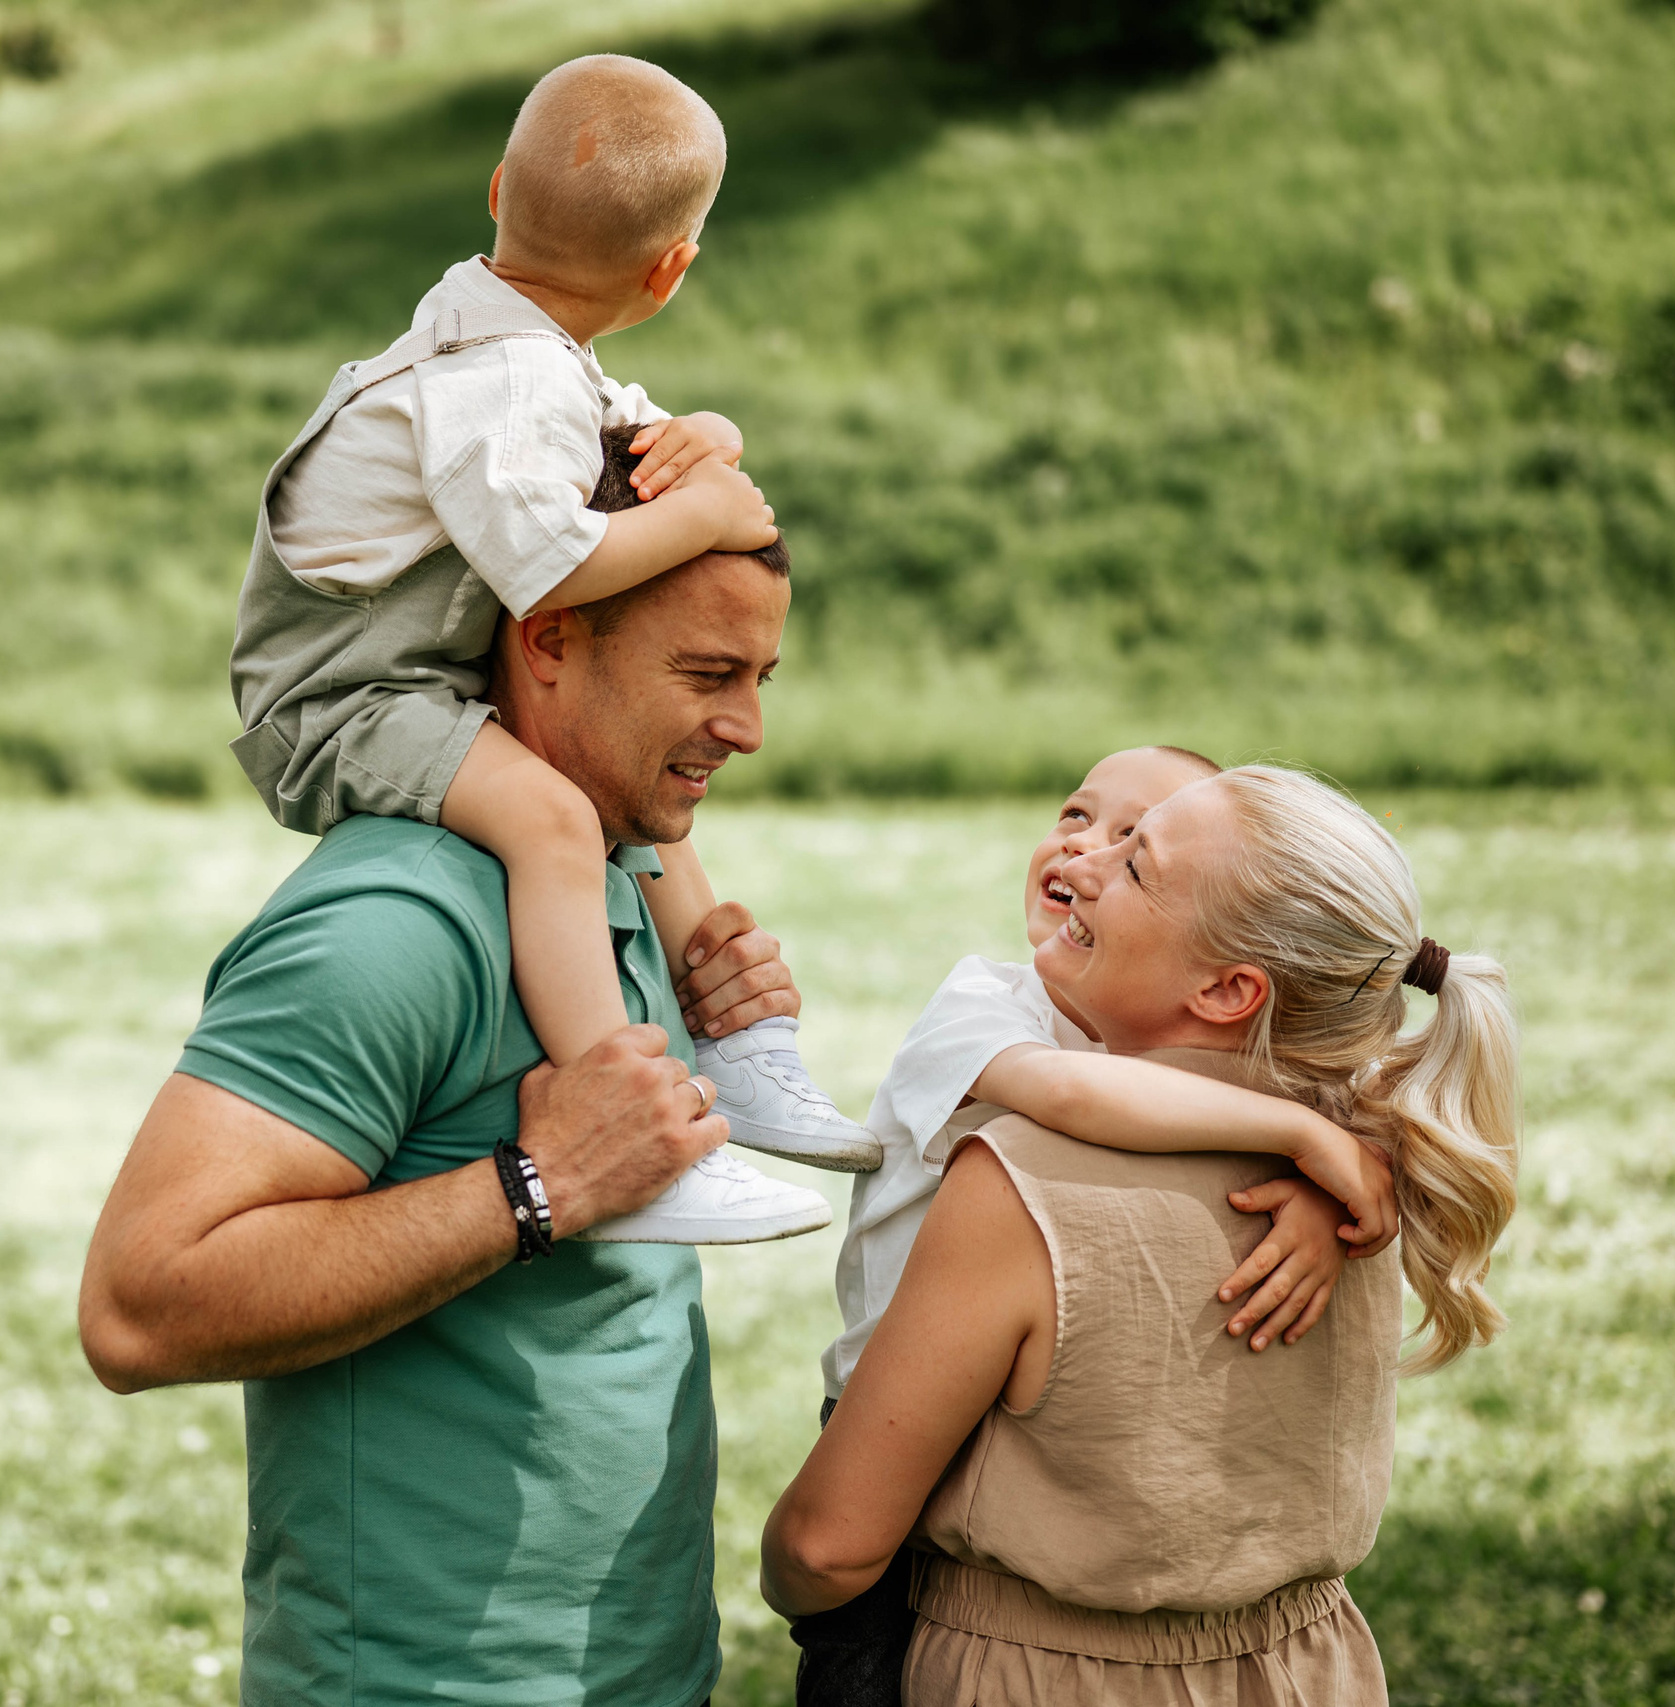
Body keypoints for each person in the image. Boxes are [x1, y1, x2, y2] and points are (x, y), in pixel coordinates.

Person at [78, 435, 822, 1704]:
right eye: (707, 674)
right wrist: (537, 1186)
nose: (747, 729)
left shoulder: (612, 865)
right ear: (546, 637)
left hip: (643, 1671)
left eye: (759, 677)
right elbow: (138, 1307)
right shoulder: (397, 918)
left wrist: (720, 1033)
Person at [226, 52, 874, 1246]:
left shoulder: (516, 342)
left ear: (495, 191)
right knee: (556, 822)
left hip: (408, 676)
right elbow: (552, 565)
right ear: (670, 270)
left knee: (627, 790)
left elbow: (627, 444)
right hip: (337, 700)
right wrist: (708, 512)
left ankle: (736, 1046)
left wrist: (708, 436)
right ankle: (628, 1115)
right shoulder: (505, 377)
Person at [764, 765, 1522, 1706]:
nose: (1081, 862)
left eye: (1135, 862)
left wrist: (785, 1571)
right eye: (1089, 824)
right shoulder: (1365, 1176)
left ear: (1229, 989)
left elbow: (824, 1549)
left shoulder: (1023, 1179)